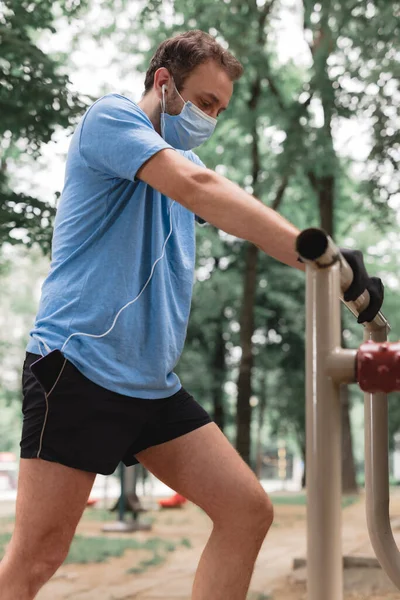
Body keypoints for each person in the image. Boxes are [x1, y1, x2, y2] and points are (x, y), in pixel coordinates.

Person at [0, 30, 383, 600]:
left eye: (221, 110)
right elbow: (200, 188)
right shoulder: (111, 120)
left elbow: (231, 210)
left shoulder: (186, 163)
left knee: (247, 510)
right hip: (79, 367)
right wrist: (315, 249)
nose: (212, 118)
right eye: (204, 102)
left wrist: (330, 272)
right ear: (163, 82)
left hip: (152, 386)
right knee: (37, 559)